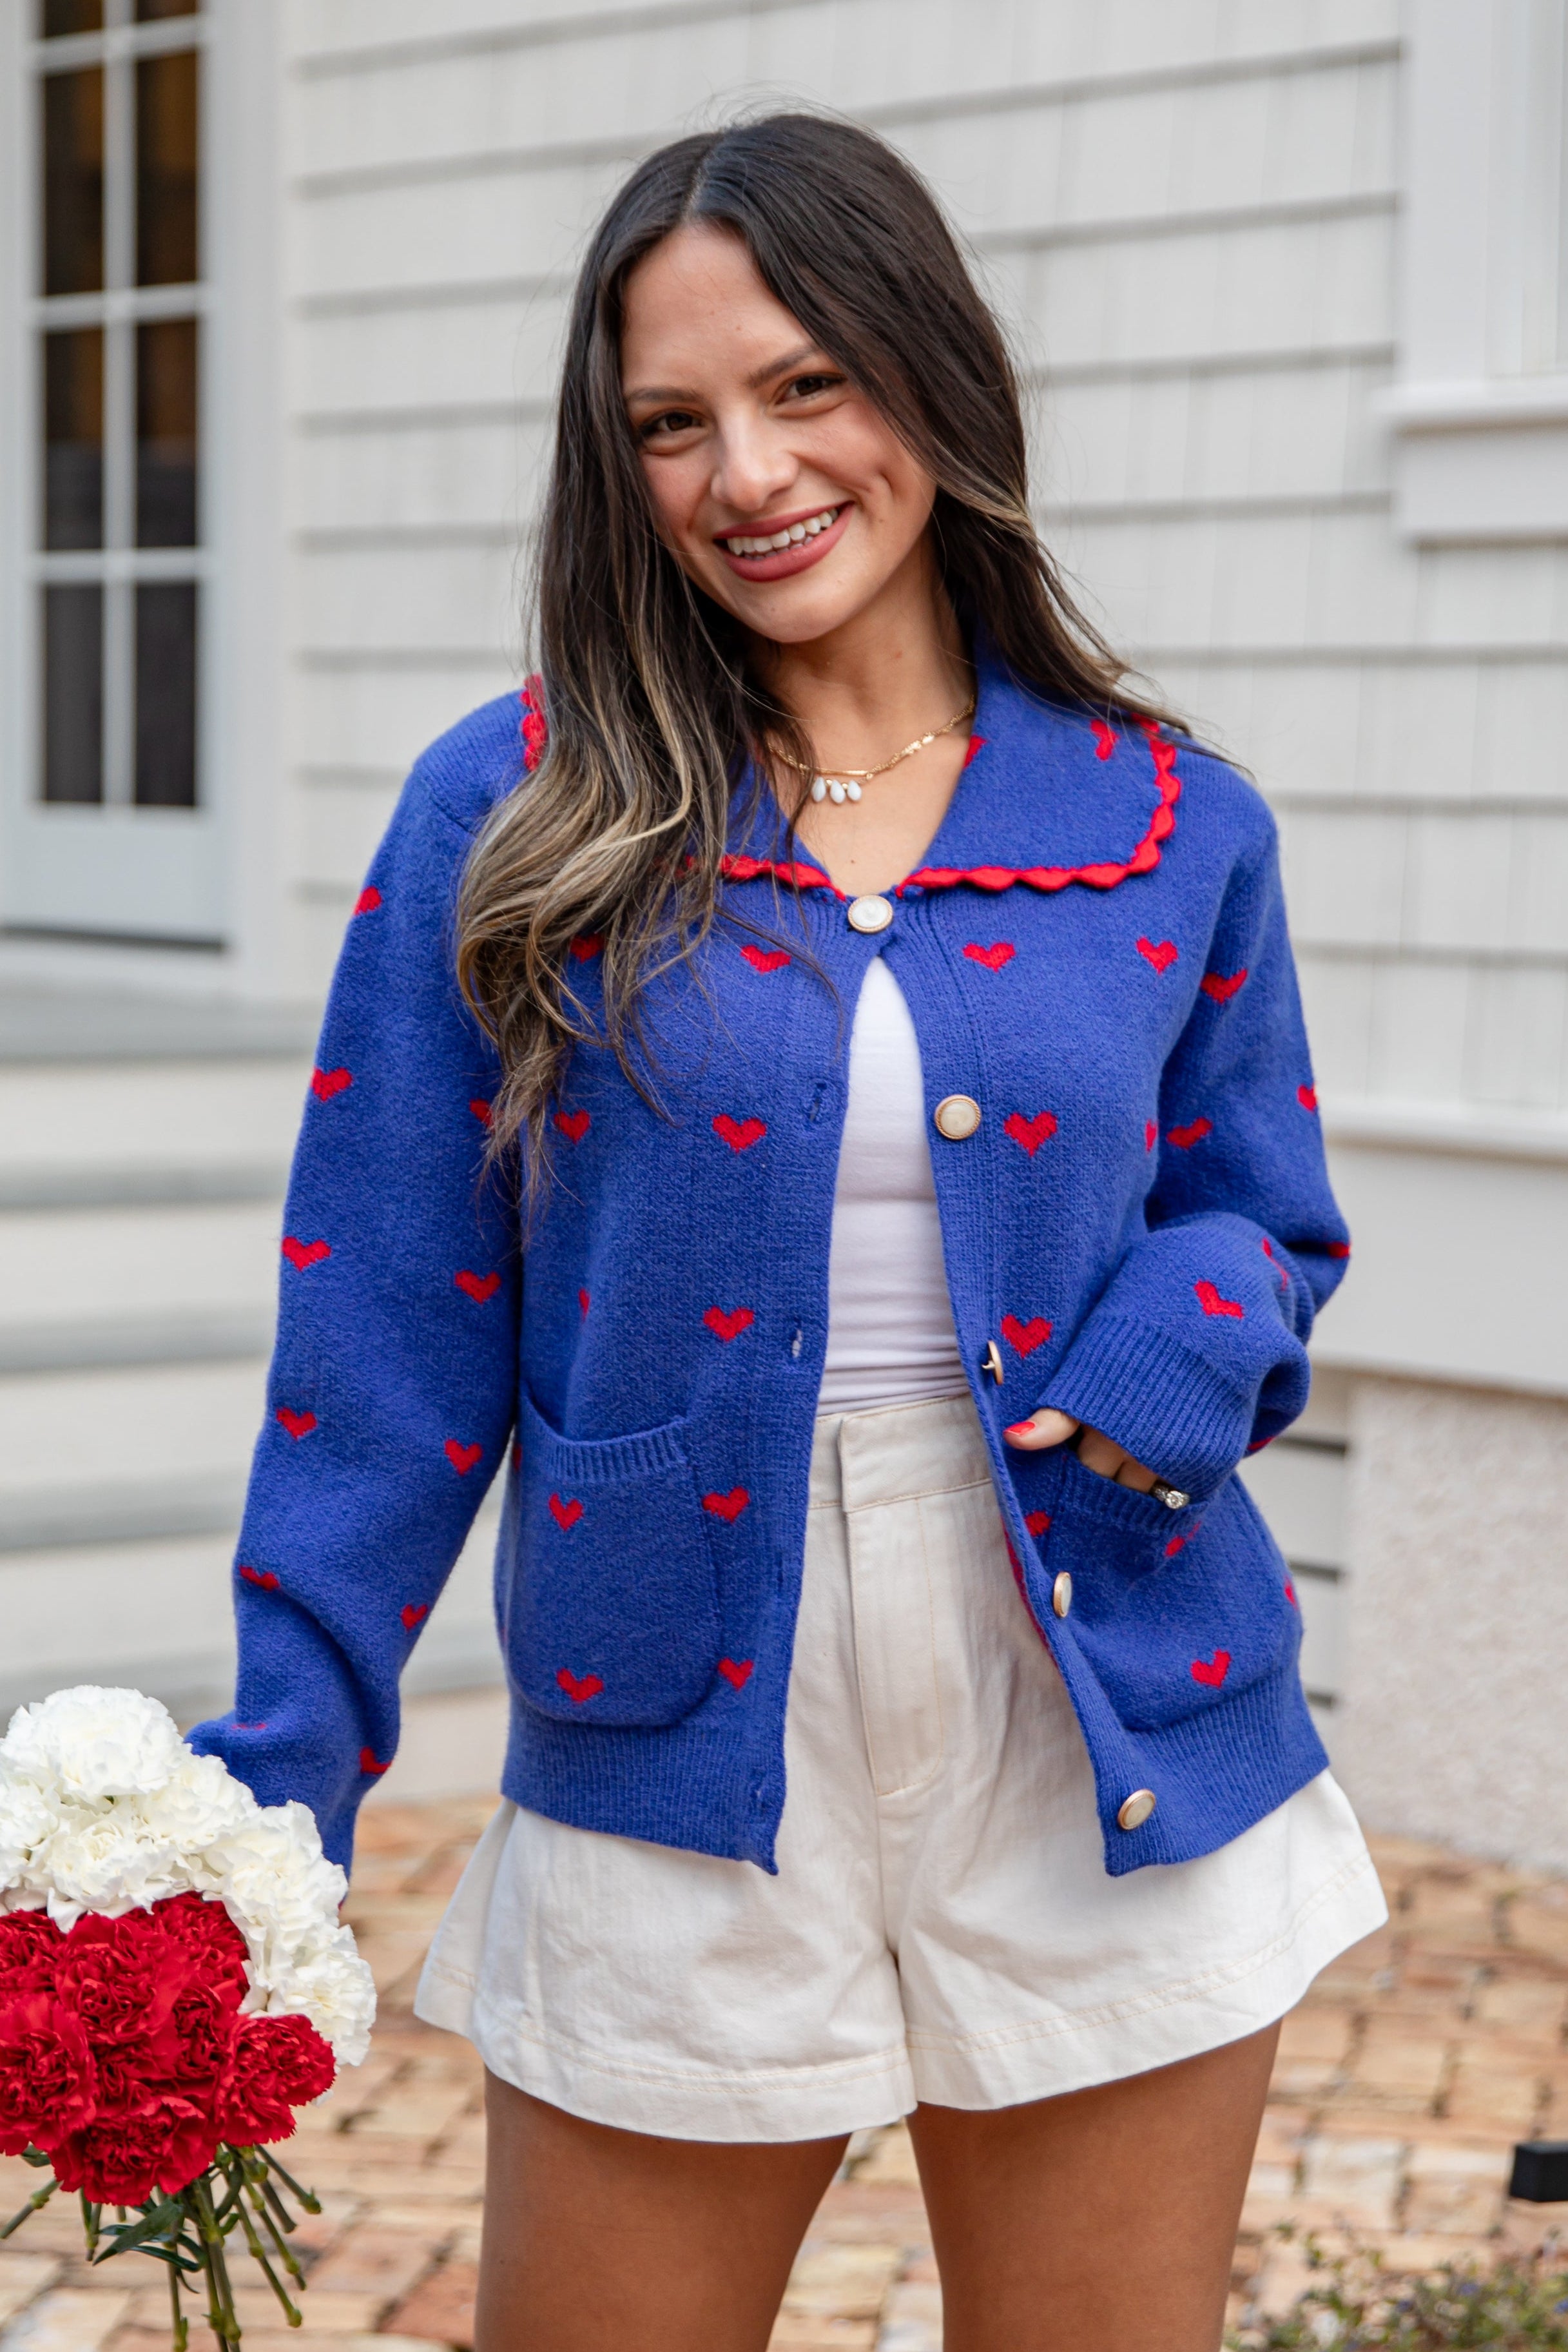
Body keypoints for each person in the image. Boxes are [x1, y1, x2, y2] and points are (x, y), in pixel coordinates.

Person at [193, 113, 1386, 2352]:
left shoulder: (1163, 816)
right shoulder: (522, 805)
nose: (745, 470)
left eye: (805, 383)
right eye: (669, 421)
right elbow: (386, 1338)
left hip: (1100, 1681)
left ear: (926, 375)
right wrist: (279, 1786)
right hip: (675, 1720)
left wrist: (1165, 1351)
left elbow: (1264, 1211)